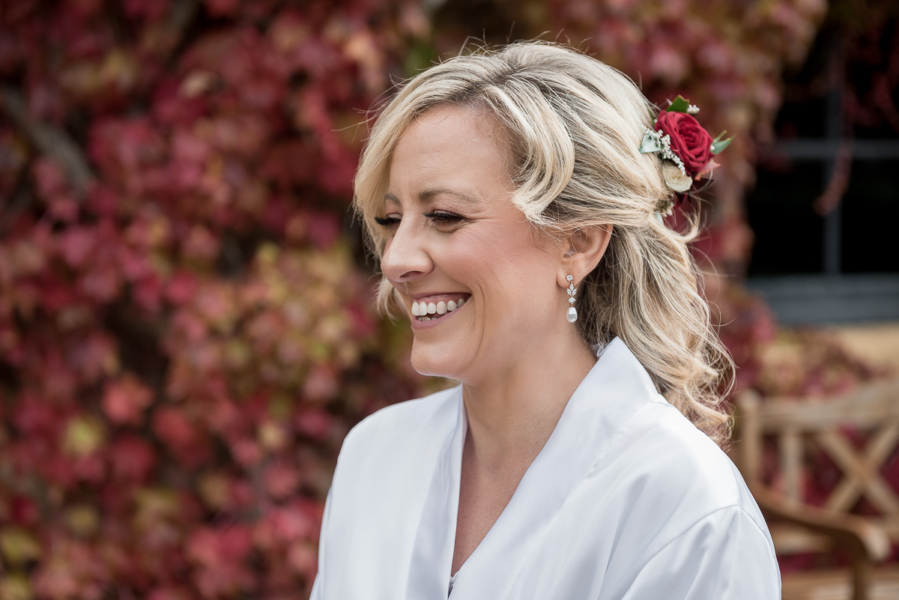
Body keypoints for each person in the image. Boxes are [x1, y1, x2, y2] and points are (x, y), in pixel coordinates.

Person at [310, 42, 780, 599]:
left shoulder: (686, 509)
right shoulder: (375, 455)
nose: (395, 260)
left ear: (577, 242)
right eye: (392, 219)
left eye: (444, 216)